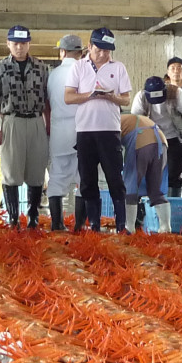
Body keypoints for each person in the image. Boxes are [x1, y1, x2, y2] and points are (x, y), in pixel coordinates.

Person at [64, 28, 131, 233]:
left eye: (107, 51)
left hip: (110, 130)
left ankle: (121, 224)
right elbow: (68, 97)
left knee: (114, 178)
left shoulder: (118, 67)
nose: (103, 54)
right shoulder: (78, 67)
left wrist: (112, 97)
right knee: (88, 179)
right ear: (90, 46)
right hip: (85, 130)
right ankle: (94, 224)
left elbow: (126, 99)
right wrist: (90, 95)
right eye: (99, 49)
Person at [0, 25, 50, 229]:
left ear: (29, 44)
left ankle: (33, 215)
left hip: (35, 120)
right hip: (11, 120)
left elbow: (48, 101)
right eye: (15, 44)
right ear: (8, 44)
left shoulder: (42, 68)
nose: (19, 48)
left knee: (36, 170)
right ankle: (13, 217)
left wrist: (47, 126)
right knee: (11, 171)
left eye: (23, 43)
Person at [131, 76, 182, 197]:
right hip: (151, 138)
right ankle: (147, 206)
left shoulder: (177, 94)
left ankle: (175, 203)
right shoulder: (140, 97)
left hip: (175, 137)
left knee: (174, 174)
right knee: (148, 173)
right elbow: (135, 122)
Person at [47, 34, 84, 231]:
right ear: (81, 53)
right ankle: (79, 226)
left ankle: (56, 223)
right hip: (81, 130)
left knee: (57, 176)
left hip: (58, 130)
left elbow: (48, 104)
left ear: (62, 52)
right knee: (83, 177)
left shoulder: (53, 75)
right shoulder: (85, 72)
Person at [120, 113, 171, 233]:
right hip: (161, 143)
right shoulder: (127, 118)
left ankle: (129, 228)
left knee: (130, 187)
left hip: (141, 141)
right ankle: (165, 227)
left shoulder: (112, 121)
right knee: (155, 189)